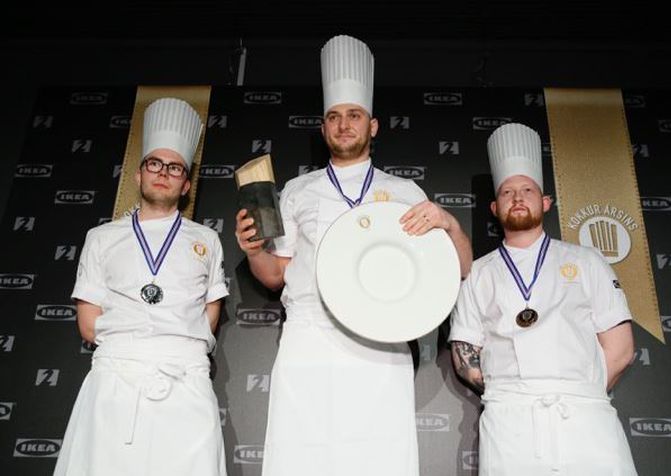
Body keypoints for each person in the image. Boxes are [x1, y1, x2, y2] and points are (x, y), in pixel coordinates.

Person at [235, 35, 472, 476]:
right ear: (323, 128)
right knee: (300, 457)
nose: (344, 125)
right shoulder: (297, 191)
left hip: (380, 342)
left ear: (373, 125)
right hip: (309, 336)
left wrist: (450, 224)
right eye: (334, 117)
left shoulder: (405, 193)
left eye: (354, 116)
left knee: (378, 459)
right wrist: (253, 251)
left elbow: (459, 269)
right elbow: (274, 276)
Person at [449, 122, 638, 475]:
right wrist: (514, 393)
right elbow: (464, 356)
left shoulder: (587, 261)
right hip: (510, 421)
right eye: (507, 192)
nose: (517, 198)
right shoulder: (477, 273)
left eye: (527, 190)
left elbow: (621, 350)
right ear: (494, 207)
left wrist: (577, 390)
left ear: (545, 201)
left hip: (585, 416)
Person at [54, 97, 229, 476]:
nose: (163, 172)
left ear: (185, 184)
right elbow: (88, 323)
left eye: (175, 167)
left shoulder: (206, 240)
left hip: (185, 382)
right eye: (155, 163)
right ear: (138, 174)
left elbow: (208, 318)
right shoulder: (101, 238)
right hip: (115, 381)